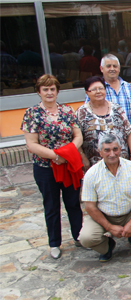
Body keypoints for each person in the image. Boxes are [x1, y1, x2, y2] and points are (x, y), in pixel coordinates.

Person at [22, 75, 84, 259]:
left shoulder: (67, 111)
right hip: (45, 167)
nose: (49, 92)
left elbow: (77, 136)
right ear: (39, 92)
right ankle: (54, 243)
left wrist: (67, 155)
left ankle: (79, 236)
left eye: (52, 89)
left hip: (68, 165)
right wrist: (56, 156)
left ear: (57, 91)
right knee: (51, 205)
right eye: (45, 89)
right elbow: (31, 144)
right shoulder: (32, 113)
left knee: (73, 203)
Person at [79, 134, 131, 262]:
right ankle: (107, 247)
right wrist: (109, 227)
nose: (112, 154)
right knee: (86, 238)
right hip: (104, 215)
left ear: (121, 149)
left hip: (129, 212)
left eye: (115, 149)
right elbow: (90, 206)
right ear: (100, 152)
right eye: (107, 150)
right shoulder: (91, 174)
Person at [86, 54, 131, 150]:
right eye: (108, 66)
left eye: (115, 66)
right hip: (106, 139)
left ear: (119, 69)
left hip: (130, 136)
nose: (112, 69)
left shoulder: (128, 87)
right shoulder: (96, 90)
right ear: (101, 69)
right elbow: (88, 113)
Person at [77, 76, 131, 168]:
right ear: (87, 93)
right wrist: (83, 157)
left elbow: (129, 132)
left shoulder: (116, 108)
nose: (98, 91)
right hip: (95, 165)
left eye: (101, 88)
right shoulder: (81, 112)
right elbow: (77, 138)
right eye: (94, 89)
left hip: (121, 161)